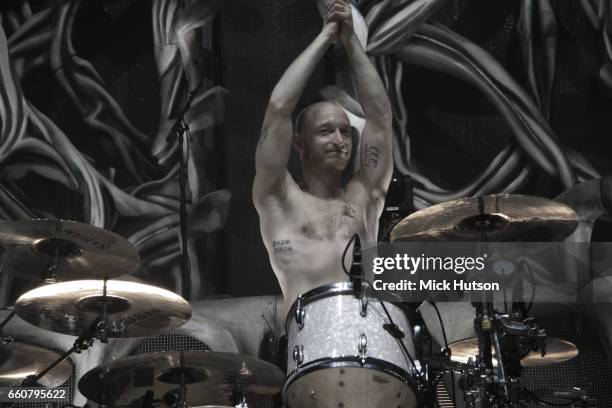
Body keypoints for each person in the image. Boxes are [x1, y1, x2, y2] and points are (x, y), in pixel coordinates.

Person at [253, 0, 393, 321]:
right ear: (299, 144)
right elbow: (278, 108)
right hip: (304, 350)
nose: (339, 140)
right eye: (326, 131)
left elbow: (381, 118)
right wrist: (327, 34)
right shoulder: (279, 197)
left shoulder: (363, 197)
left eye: (345, 131)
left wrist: (351, 42)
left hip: (367, 344)